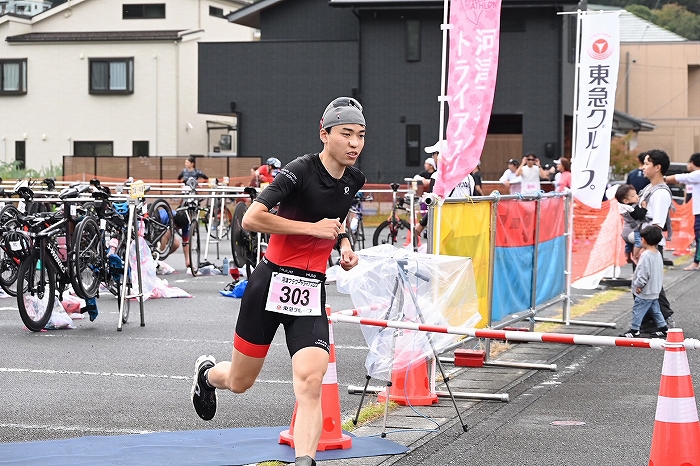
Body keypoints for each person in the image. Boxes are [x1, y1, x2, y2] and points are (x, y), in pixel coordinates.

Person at [190, 96, 365, 466]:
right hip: (270, 282)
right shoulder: (299, 170)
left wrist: (345, 246)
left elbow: (336, 221)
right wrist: (312, 229)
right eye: (346, 133)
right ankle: (207, 376)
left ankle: (305, 460)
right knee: (240, 382)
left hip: (310, 290)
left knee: (311, 381)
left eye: (361, 135)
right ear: (324, 134)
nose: (354, 143)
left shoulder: (354, 179)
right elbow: (251, 218)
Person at [638, 149, 675, 329]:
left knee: (651, 286)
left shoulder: (660, 193)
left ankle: (662, 320)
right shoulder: (649, 188)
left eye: (647, 164)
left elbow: (657, 225)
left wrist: (643, 245)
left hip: (651, 245)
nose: (643, 167)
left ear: (657, 167)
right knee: (645, 284)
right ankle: (649, 321)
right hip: (645, 242)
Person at [619, 226, 668, 338]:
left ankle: (634, 330)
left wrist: (639, 285)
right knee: (655, 310)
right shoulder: (657, 253)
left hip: (645, 290)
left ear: (644, 240)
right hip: (655, 289)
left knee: (638, 309)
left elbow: (643, 273)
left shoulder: (646, 255)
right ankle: (663, 327)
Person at [665, 152, 700, 271]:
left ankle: (696, 262)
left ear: (693, 163)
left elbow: (680, 178)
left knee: (699, 237)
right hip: (696, 211)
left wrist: (661, 179)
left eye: (689, 162)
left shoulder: (697, 174)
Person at [614, 184, 647, 264]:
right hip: (632, 231)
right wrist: (644, 208)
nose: (637, 196)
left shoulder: (622, 207)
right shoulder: (632, 208)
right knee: (639, 243)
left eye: (636, 194)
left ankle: (627, 256)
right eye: (633, 196)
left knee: (629, 244)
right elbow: (640, 216)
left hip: (625, 231)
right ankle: (635, 257)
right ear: (625, 201)